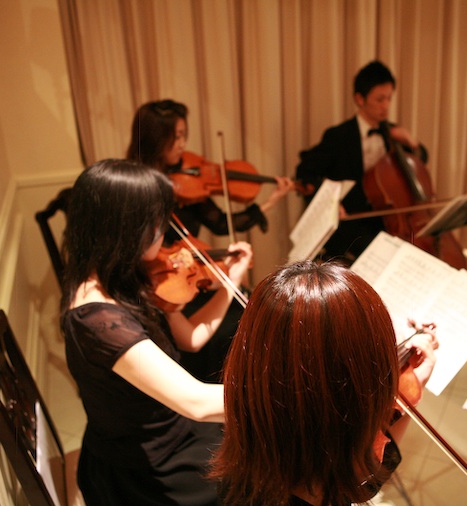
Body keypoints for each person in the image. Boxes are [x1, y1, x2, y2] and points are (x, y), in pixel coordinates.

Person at [60, 159, 252, 505]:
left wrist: (231, 281)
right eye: (157, 220)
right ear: (127, 227)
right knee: (257, 477)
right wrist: (282, 396)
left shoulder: (125, 273)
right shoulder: (97, 322)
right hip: (147, 465)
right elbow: (195, 402)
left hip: (172, 426)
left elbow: (190, 338)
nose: (164, 231)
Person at [211, 261, 439, 506]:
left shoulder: (257, 423)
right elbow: (360, 479)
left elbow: (362, 476)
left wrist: (409, 391)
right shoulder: (325, 476)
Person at [126, 99, 294, 382]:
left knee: (252, 303)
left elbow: (219, 223)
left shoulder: (186, 182)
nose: (182, 144)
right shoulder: (135, 189)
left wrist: (270, 201)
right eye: (175, 137)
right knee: (237, 324)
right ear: (155, 139)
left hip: (189, 273)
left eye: (184, 135)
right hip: (163, 285)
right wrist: (227, 280)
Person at [296, 60, 424, 264]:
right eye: (379, 99)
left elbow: (421, 161)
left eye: (389, 98)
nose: (386, 106)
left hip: (388, 223)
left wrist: (412, 142)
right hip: (351, 226)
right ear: (359, 99)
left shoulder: (392, 134)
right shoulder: (338, 136)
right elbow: (305, 172)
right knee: (383, 257)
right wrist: (330, 201)